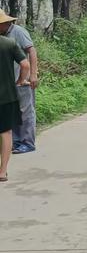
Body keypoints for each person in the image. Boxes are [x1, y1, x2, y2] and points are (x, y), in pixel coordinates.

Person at [0, 10, 38, 154]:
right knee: (14, 112)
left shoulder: (18, 32)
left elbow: (32, 51)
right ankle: (15, 141)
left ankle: (28, 142)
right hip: (11, 81)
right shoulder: (3, 36)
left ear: (4, 23)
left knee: (26, 111)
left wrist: (33, 75)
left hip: (24, 79)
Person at [0, 34, 30, 181]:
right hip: (6, 97)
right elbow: (25, 65)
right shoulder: (9, 43)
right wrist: (20, 80)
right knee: (5, 133)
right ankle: (2, 172)